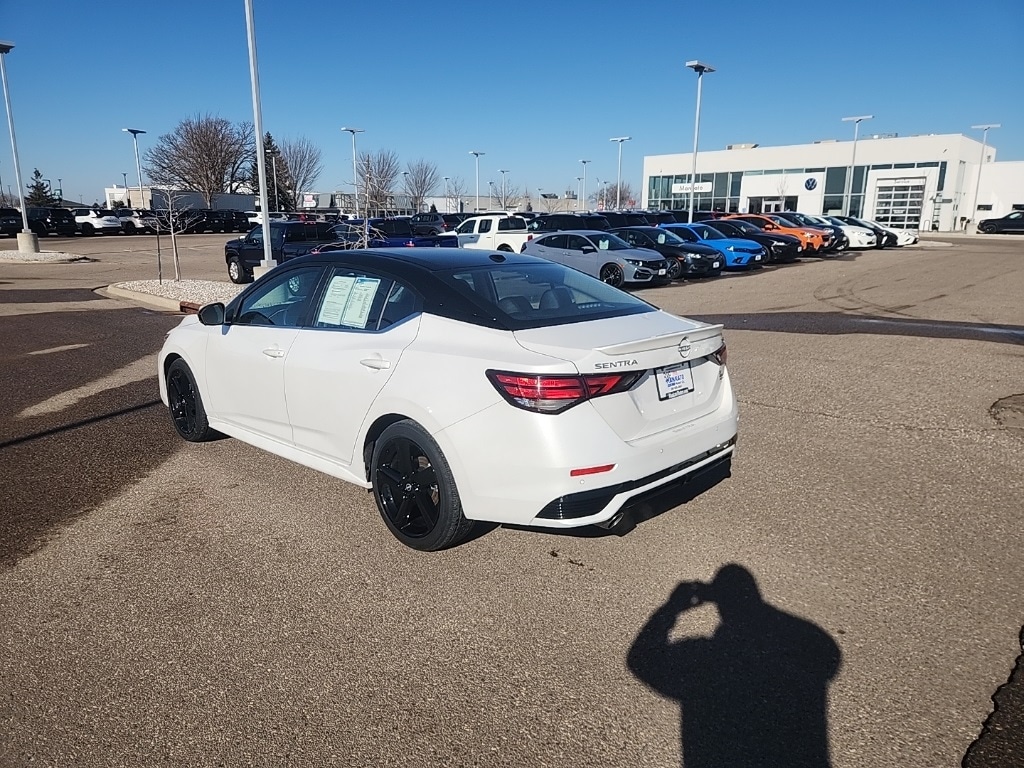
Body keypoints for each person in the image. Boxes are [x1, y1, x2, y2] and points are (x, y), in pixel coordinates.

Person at [628, 564, 842, 767]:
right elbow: (826, 650)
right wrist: (753, 607)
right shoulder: (799, 657)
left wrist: (671, 608)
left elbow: (641, 658)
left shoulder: (705, 659)